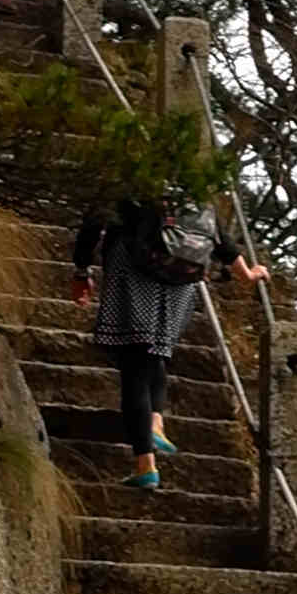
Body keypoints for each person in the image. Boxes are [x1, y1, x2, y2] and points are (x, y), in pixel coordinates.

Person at [72, 171, 223, 488]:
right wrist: (247, 271)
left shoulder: (128, 170)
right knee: (155, 354)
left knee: (134, 363)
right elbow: (218, 234)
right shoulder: (189, 178)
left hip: (133, 269)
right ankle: (156, 423)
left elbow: (96, 219)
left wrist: (81, 267)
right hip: (180, 278)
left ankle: (146, 465)